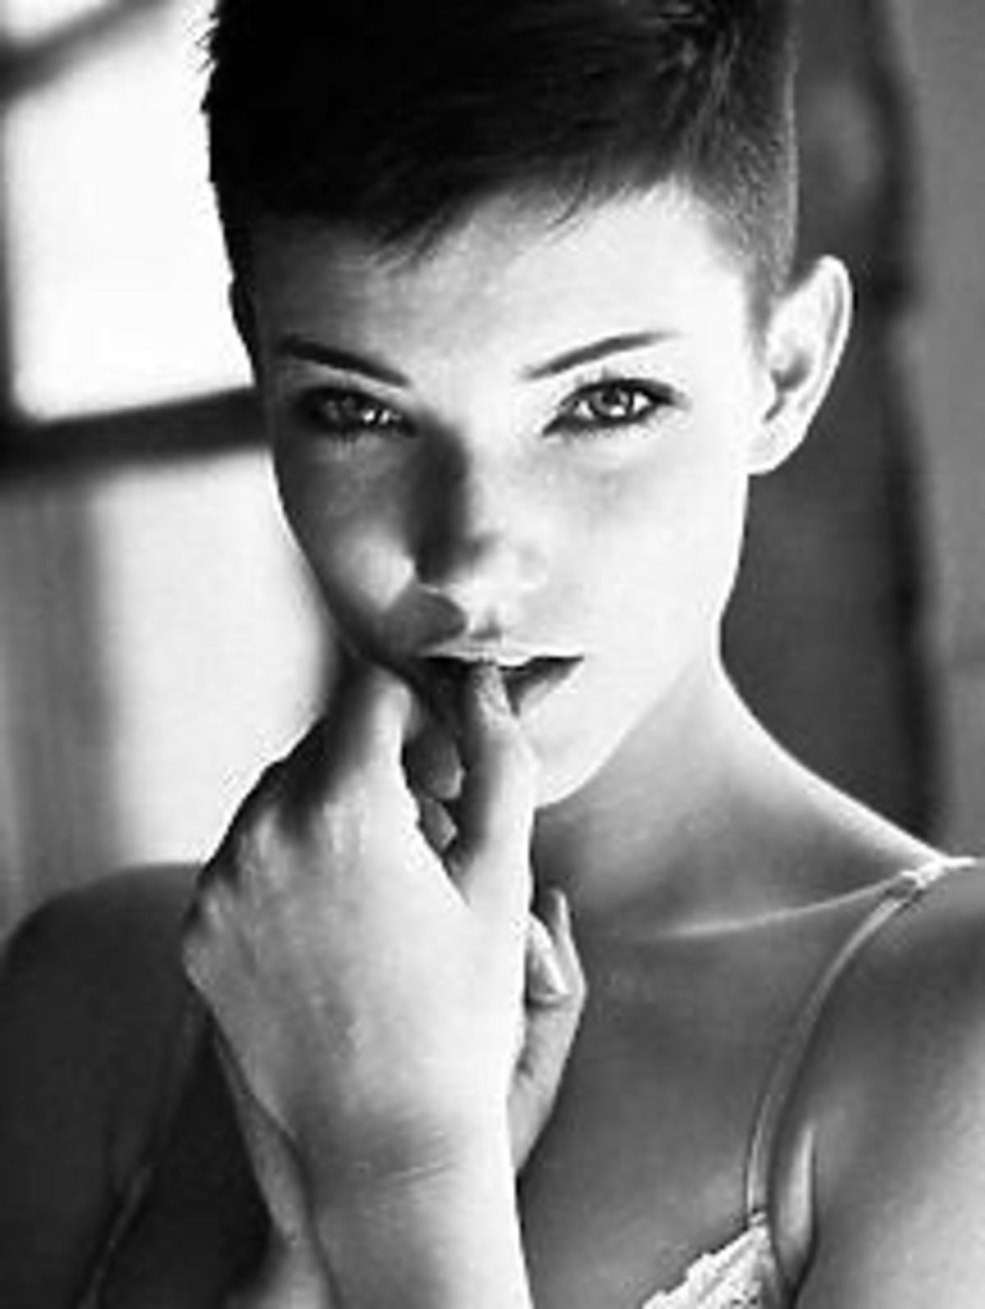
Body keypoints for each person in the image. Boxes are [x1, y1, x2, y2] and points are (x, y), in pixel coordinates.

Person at [2, 0, 985, 1305]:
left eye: (604, 402)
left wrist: (399, 1166)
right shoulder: (95, 997)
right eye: (355, 411)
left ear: (786, 369)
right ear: (259, 371)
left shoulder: (946, 1030)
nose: (469, 556)